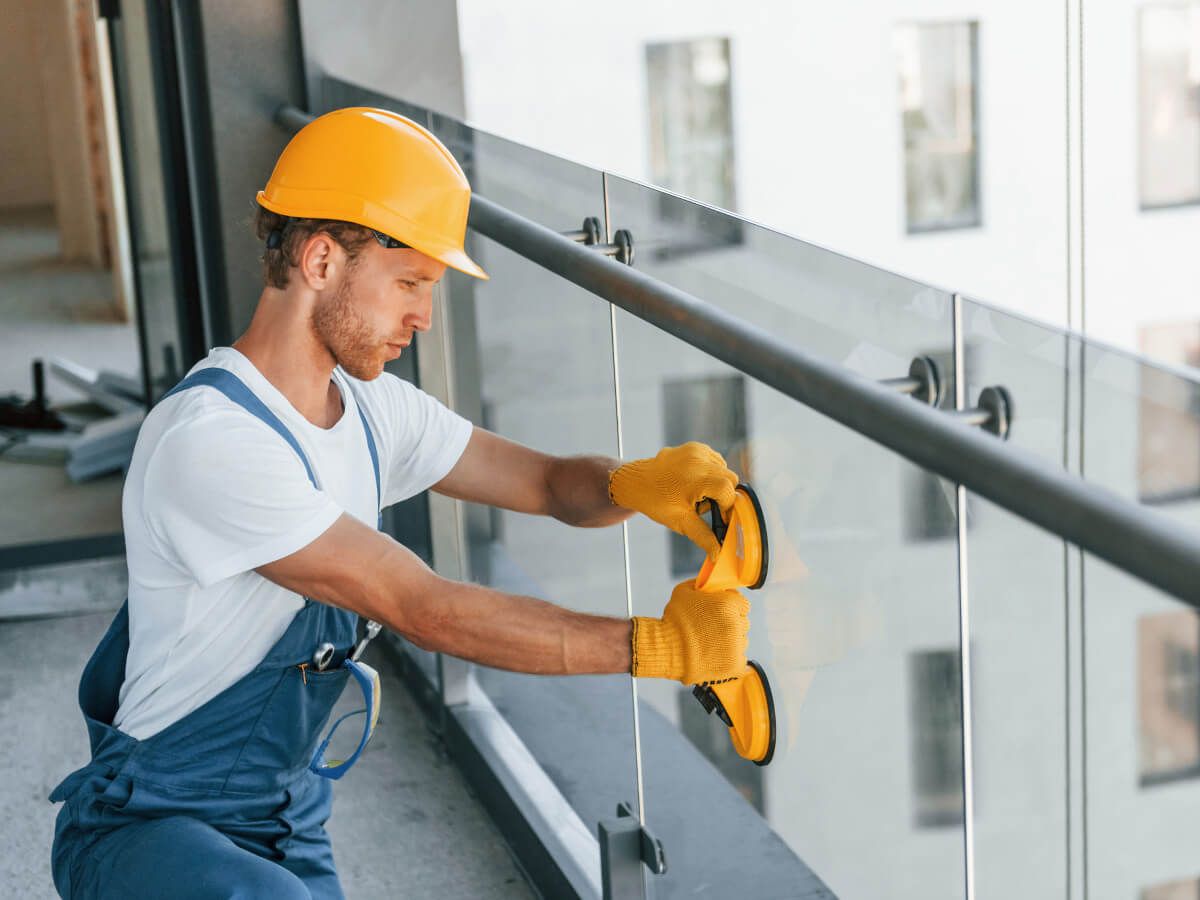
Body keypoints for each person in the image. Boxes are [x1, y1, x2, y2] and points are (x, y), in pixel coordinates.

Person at [48, 107, 750, 899]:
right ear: (321, 259)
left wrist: (641, 486)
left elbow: (549, 484)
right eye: (410, 283)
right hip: (153, 821)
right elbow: (427, 610)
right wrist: (658, 647)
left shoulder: (372, 409)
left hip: (286, 808)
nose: (424, 316)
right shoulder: (213, 440)